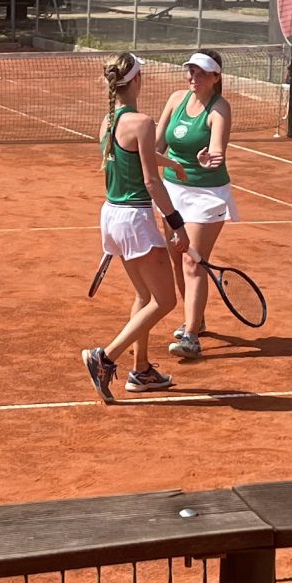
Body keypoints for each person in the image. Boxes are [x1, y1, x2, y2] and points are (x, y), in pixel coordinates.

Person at [82, 52, 188, 402]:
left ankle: (141, 371)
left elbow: (135, 153)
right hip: (135, 220)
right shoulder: (143, 122)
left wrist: (169, 161)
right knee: (166, 300)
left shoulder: (108, 121)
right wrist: (177, 225)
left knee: (144, 295)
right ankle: (105, 357)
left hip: (112, 217)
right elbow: (151, 182)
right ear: (137, 80)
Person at [158, 51, 238, 358]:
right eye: (191, 71)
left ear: (216, 77)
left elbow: (217, 150)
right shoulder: (176, 99)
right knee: (176, 258)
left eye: (201, 72)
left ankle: (190, 336)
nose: (194, 77)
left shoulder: (219, 108)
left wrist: (207, 159)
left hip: (207, 194)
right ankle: (196, 318)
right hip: (171, 192)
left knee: (193, 261)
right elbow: (156, 146)